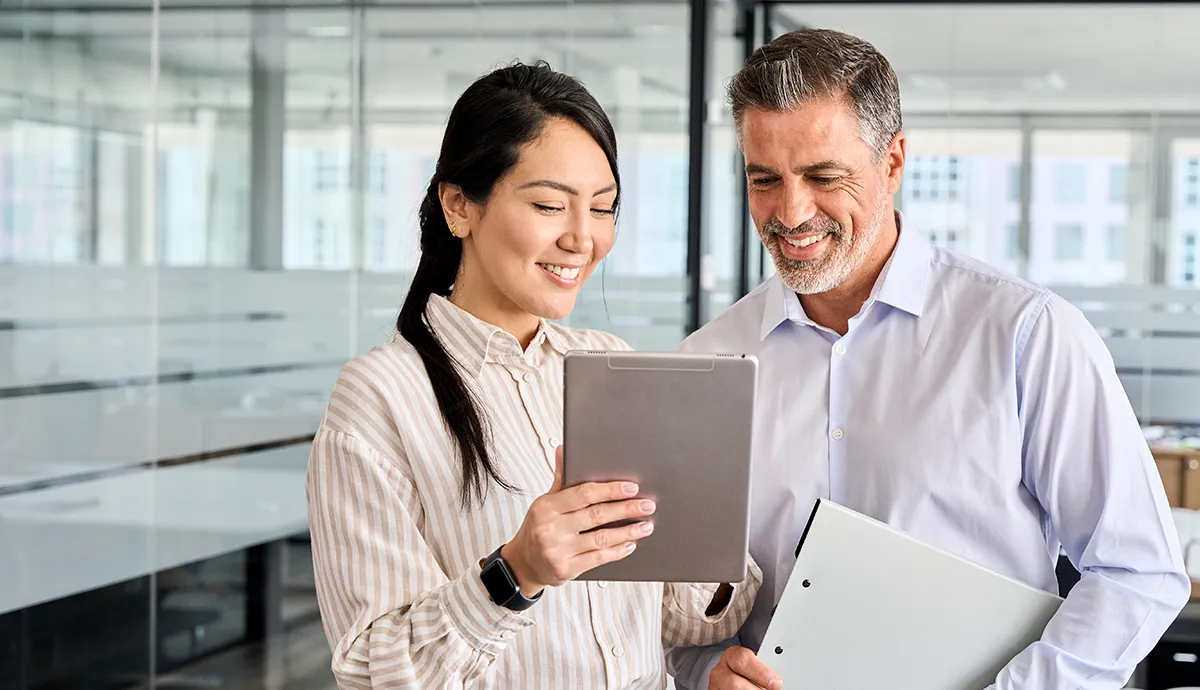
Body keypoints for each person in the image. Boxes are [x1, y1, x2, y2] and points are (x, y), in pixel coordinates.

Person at [666, 28, 1189, 690]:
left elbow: (1138, 570)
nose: (790, 213)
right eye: (764, 179)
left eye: (824, 176)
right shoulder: (707, 363)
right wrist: (708, 671)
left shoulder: (1026, 335)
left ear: (893, 163)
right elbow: (673, 616)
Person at [305, 61, 761, 690]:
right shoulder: (378, 398)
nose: (583, 238)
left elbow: (689, 621)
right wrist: (515, 574)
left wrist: (705, 520)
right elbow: (371, 671)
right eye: (549, 204)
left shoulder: (609, 361)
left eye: (603, 209)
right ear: (459, 204)